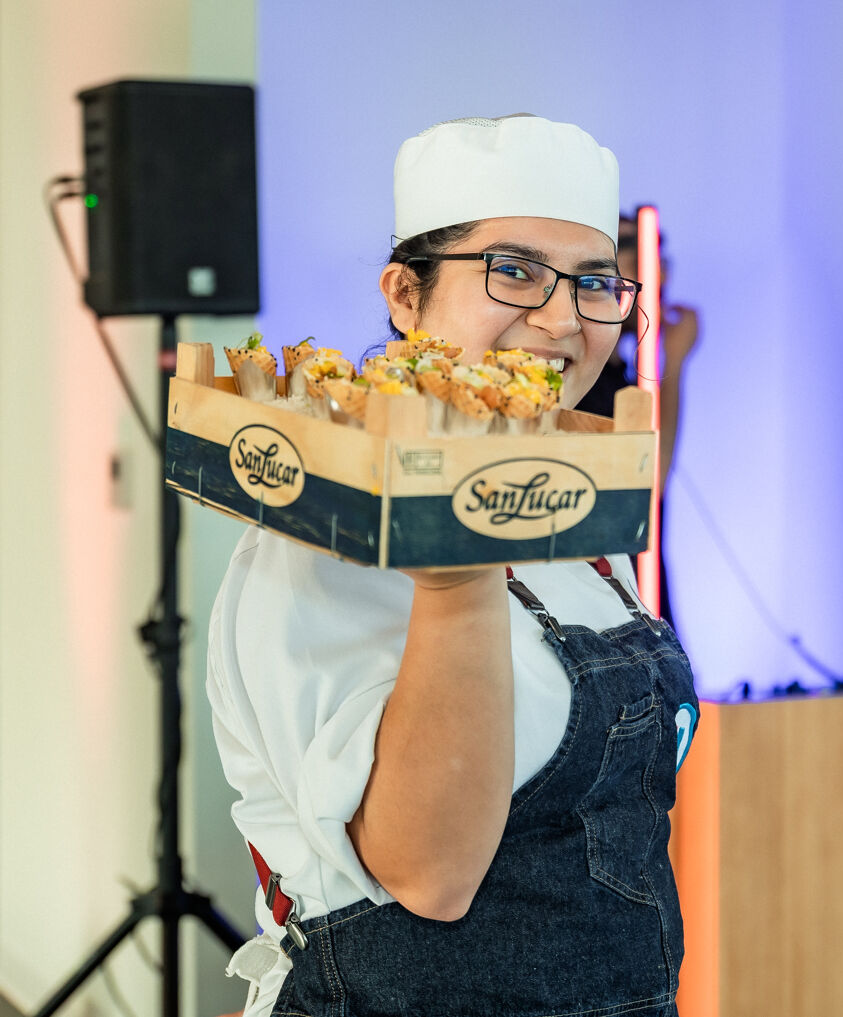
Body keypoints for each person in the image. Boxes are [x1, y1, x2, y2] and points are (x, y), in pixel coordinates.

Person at [208, 115, 700, 1017]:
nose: (561, 319)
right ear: (403, 294)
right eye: (513, 271)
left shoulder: (574, 511)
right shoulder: (324, 539)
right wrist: (458, 568)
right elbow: (431, 875)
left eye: (595, 283)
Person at [576, 212, 700, 624]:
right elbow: (651, 482)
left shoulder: (619, 379)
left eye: (662, 266)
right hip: (611, 609)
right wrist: (675, 364)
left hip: (638, 595)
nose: (659, 283)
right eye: (643, 266)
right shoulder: (583, 389)